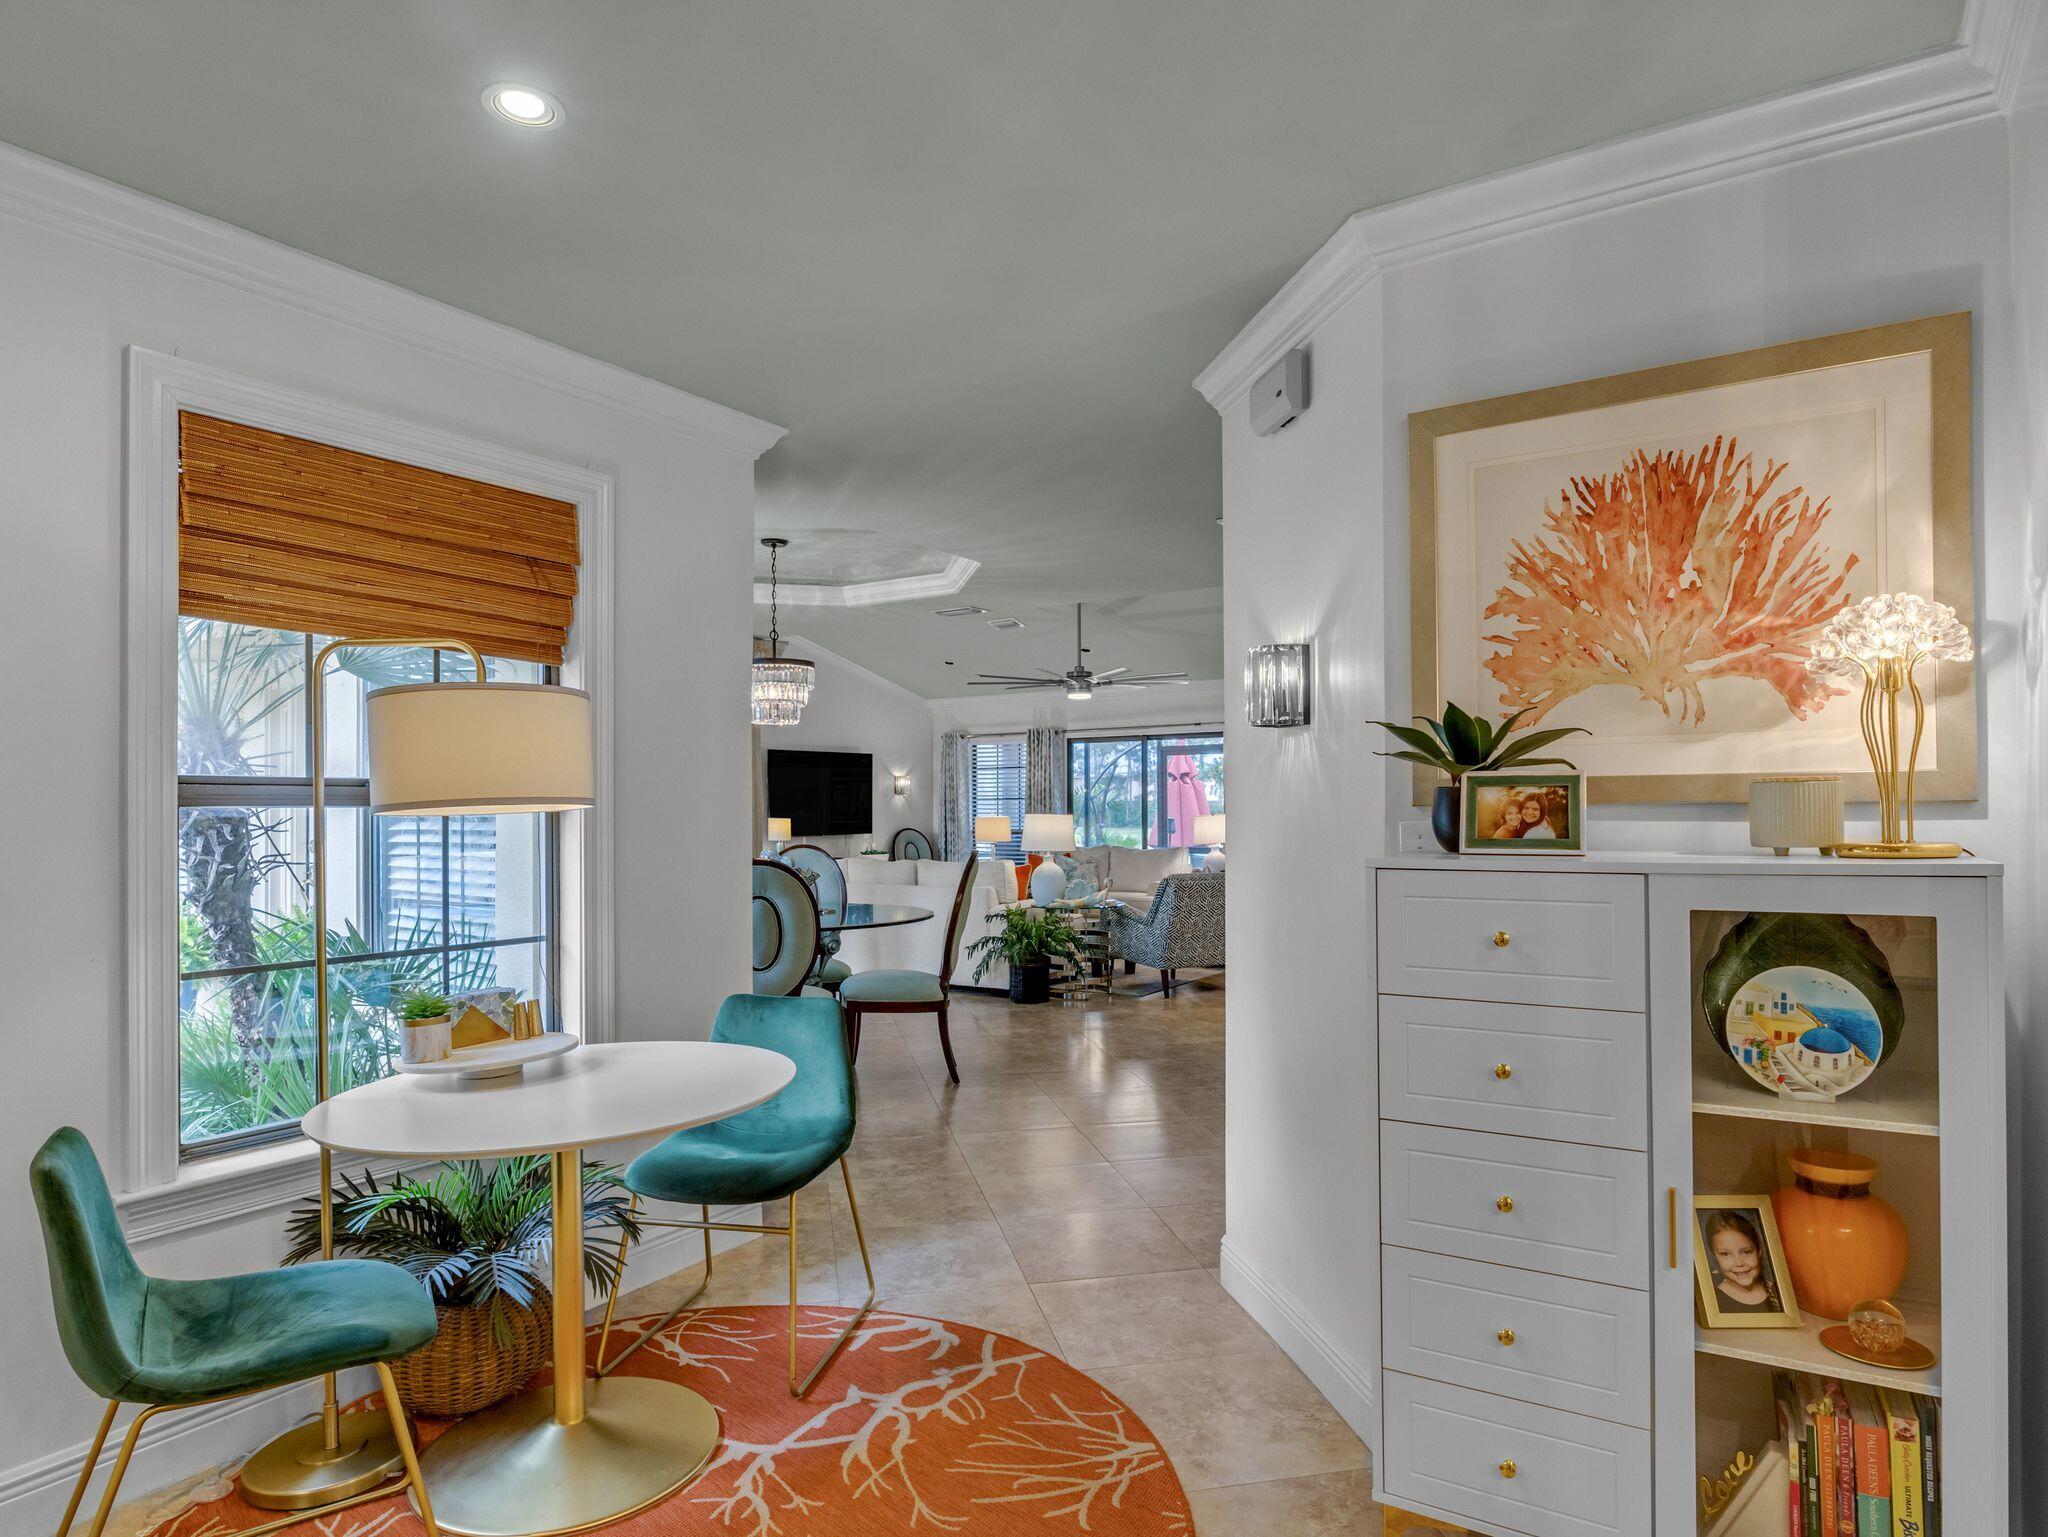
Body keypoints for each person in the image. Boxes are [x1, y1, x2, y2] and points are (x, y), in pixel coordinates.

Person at [1702, 1209, 1780, 1313]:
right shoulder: (1712, 1302)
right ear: (1715, 1257)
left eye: (1746, 1252)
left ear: (1759, 1251)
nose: (1739, 1263)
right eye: (1725, 1254)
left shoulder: (1779, 1293)